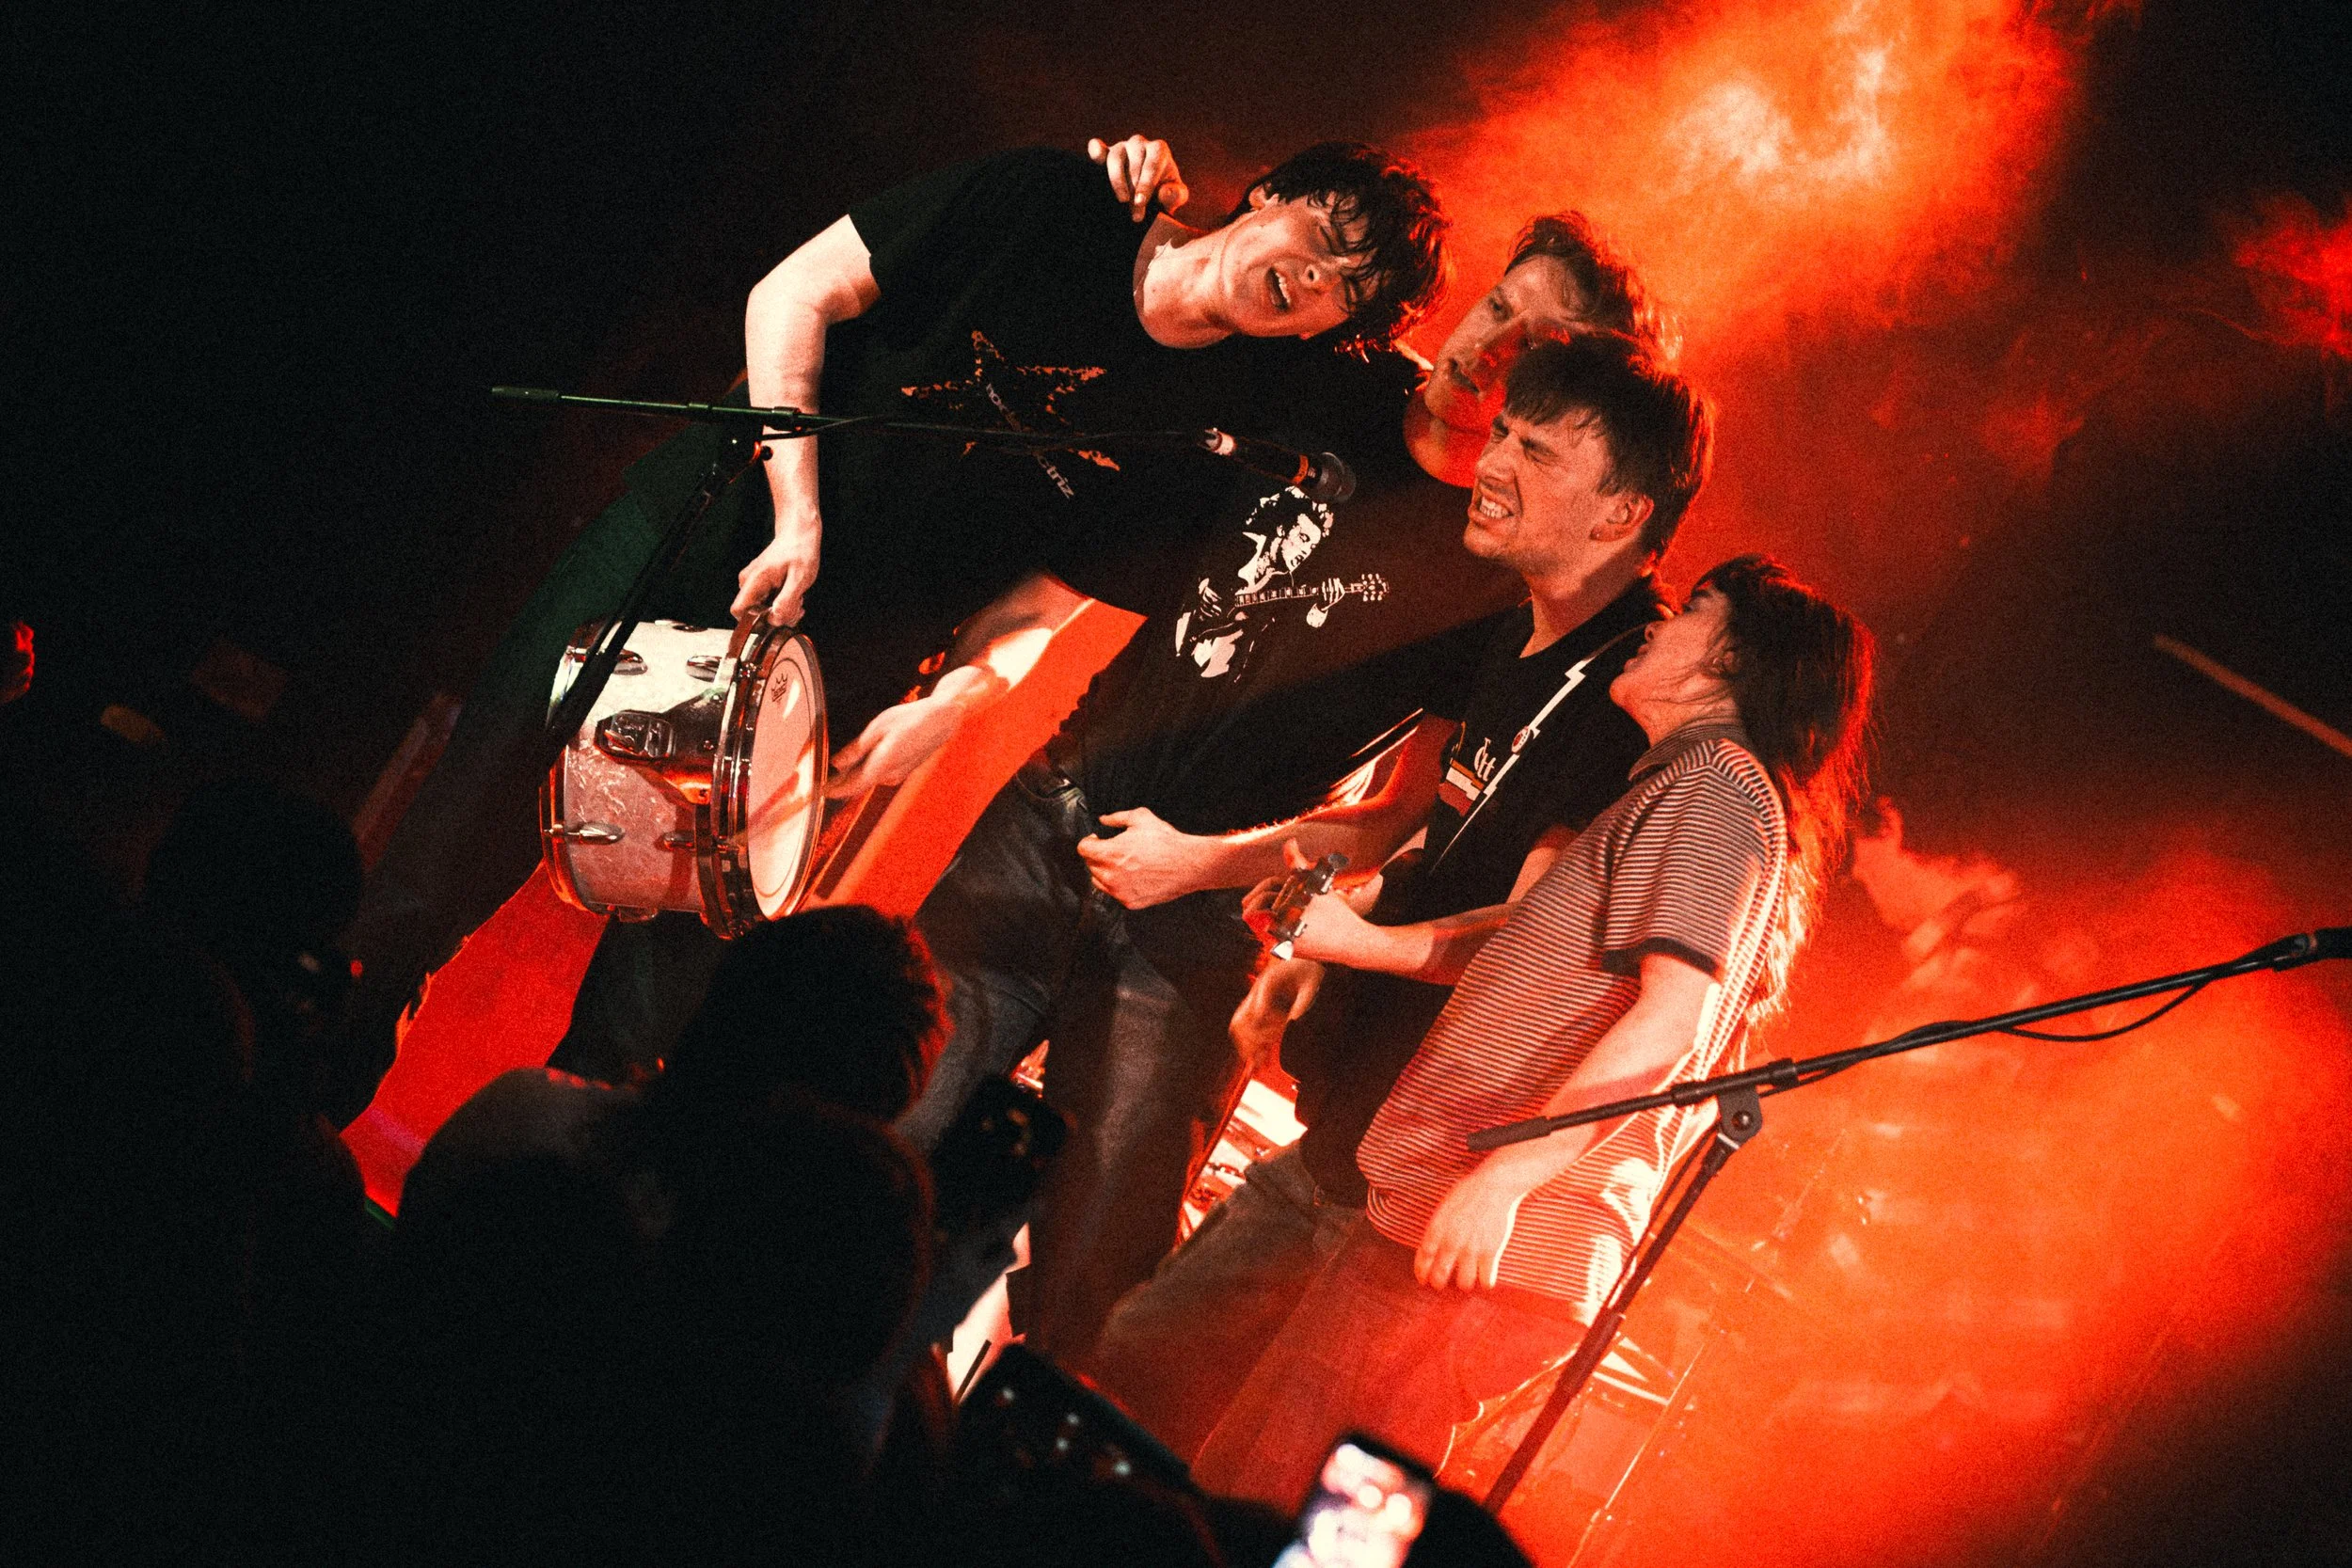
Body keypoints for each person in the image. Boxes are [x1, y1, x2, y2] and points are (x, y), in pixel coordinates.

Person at [325, 135, 1447, 1122]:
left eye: (1350, 286)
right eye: (1327, 232)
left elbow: (1038, 606)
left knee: (662, 978)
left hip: (841, 660)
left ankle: (550, 1207)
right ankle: (303, 1073)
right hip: (709, 532)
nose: (1316, 275)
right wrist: (799, 510)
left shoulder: (1214, 431)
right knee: (451, 848)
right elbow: (795, 293)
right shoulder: (1054, 202)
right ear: (1271, 191)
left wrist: (946, 704)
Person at [893, 222, 1671, 1372]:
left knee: (1092, 1289)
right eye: (1495, 303)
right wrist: (1147, 208)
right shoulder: (1330, 385)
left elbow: (1402, 809)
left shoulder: (1495, 575)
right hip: (1047, 818)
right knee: (880, 1142)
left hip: (1193, 930)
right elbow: (1177, 315)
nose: (1489, 342)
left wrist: (1201, 865)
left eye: (1538, 341)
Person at [1088, 329, 1710, 1458]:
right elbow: (1400, 814)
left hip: (1432, 1186)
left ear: (1622, 513)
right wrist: (1266, 891)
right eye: (1503, 433)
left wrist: (1356, 941)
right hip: (1356, 1138)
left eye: (1536, 448)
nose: (1492, 460)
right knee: (1141, 1367)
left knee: (1250, 1463)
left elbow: (1538, 944)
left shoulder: (1627, 688)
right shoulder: (1502, 624)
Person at [1187, 554, 1875, 1508]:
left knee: (1267, 1500)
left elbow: (1672, 1016)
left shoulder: (1717, 789)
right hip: (1450, 1218)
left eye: (1695, 609)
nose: (1657, 620)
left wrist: (1504, 1177)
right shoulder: (1684, 788)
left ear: (1730, 658)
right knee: (1256, 1484)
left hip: (1483, 1241)